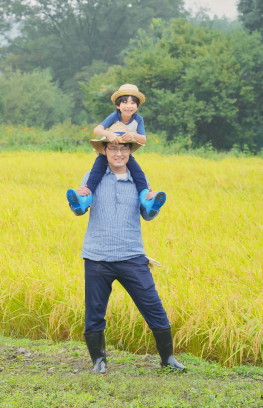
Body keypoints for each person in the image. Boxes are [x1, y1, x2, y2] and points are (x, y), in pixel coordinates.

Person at [77, 124, 185, 374]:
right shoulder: (91, 177)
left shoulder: (139, 179)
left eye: (123, 148)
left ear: (129, 151)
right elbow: (79, 210)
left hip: (132, 256)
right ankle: (99, 362)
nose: (118, 153)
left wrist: (154, 206)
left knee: (153, 306)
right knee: (95, 312)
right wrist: (79, 198)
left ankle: (168, 359)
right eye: (113, 147)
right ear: (104, 150)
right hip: (97, 257)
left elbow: (147, 216)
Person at [67, 84, 166, 218]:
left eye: (133, 103)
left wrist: (133, 135)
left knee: (138, 174)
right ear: (118, 106)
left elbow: (143, 139)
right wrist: (109, 135)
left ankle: (148, 200)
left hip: (127, 147)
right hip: (106, 149)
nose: (128, 106)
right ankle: (83, 201)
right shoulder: (114, 116)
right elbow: (97, 130)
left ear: (137, 106)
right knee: (95, 174)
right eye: (124, 102)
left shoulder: (138, 119)